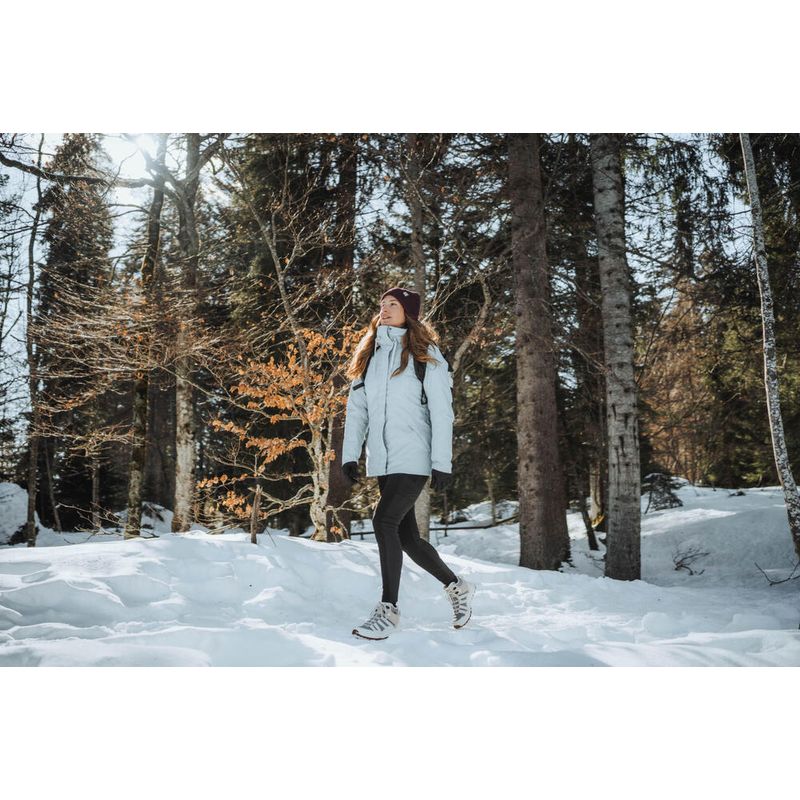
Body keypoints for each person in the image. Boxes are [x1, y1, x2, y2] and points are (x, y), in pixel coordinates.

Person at [341, 286, 475, 640]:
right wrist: (350, 454)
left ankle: (389, 610)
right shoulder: (369, 355)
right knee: (407, 539)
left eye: (393, 304)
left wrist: (441, 461)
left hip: (415, 455)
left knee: (383, 521)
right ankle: (457, 586)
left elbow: (442, 412)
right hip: (383, 459)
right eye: (382, 304)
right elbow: (357, 411)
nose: (384, 309)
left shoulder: (425, 355)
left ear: (409, 313)